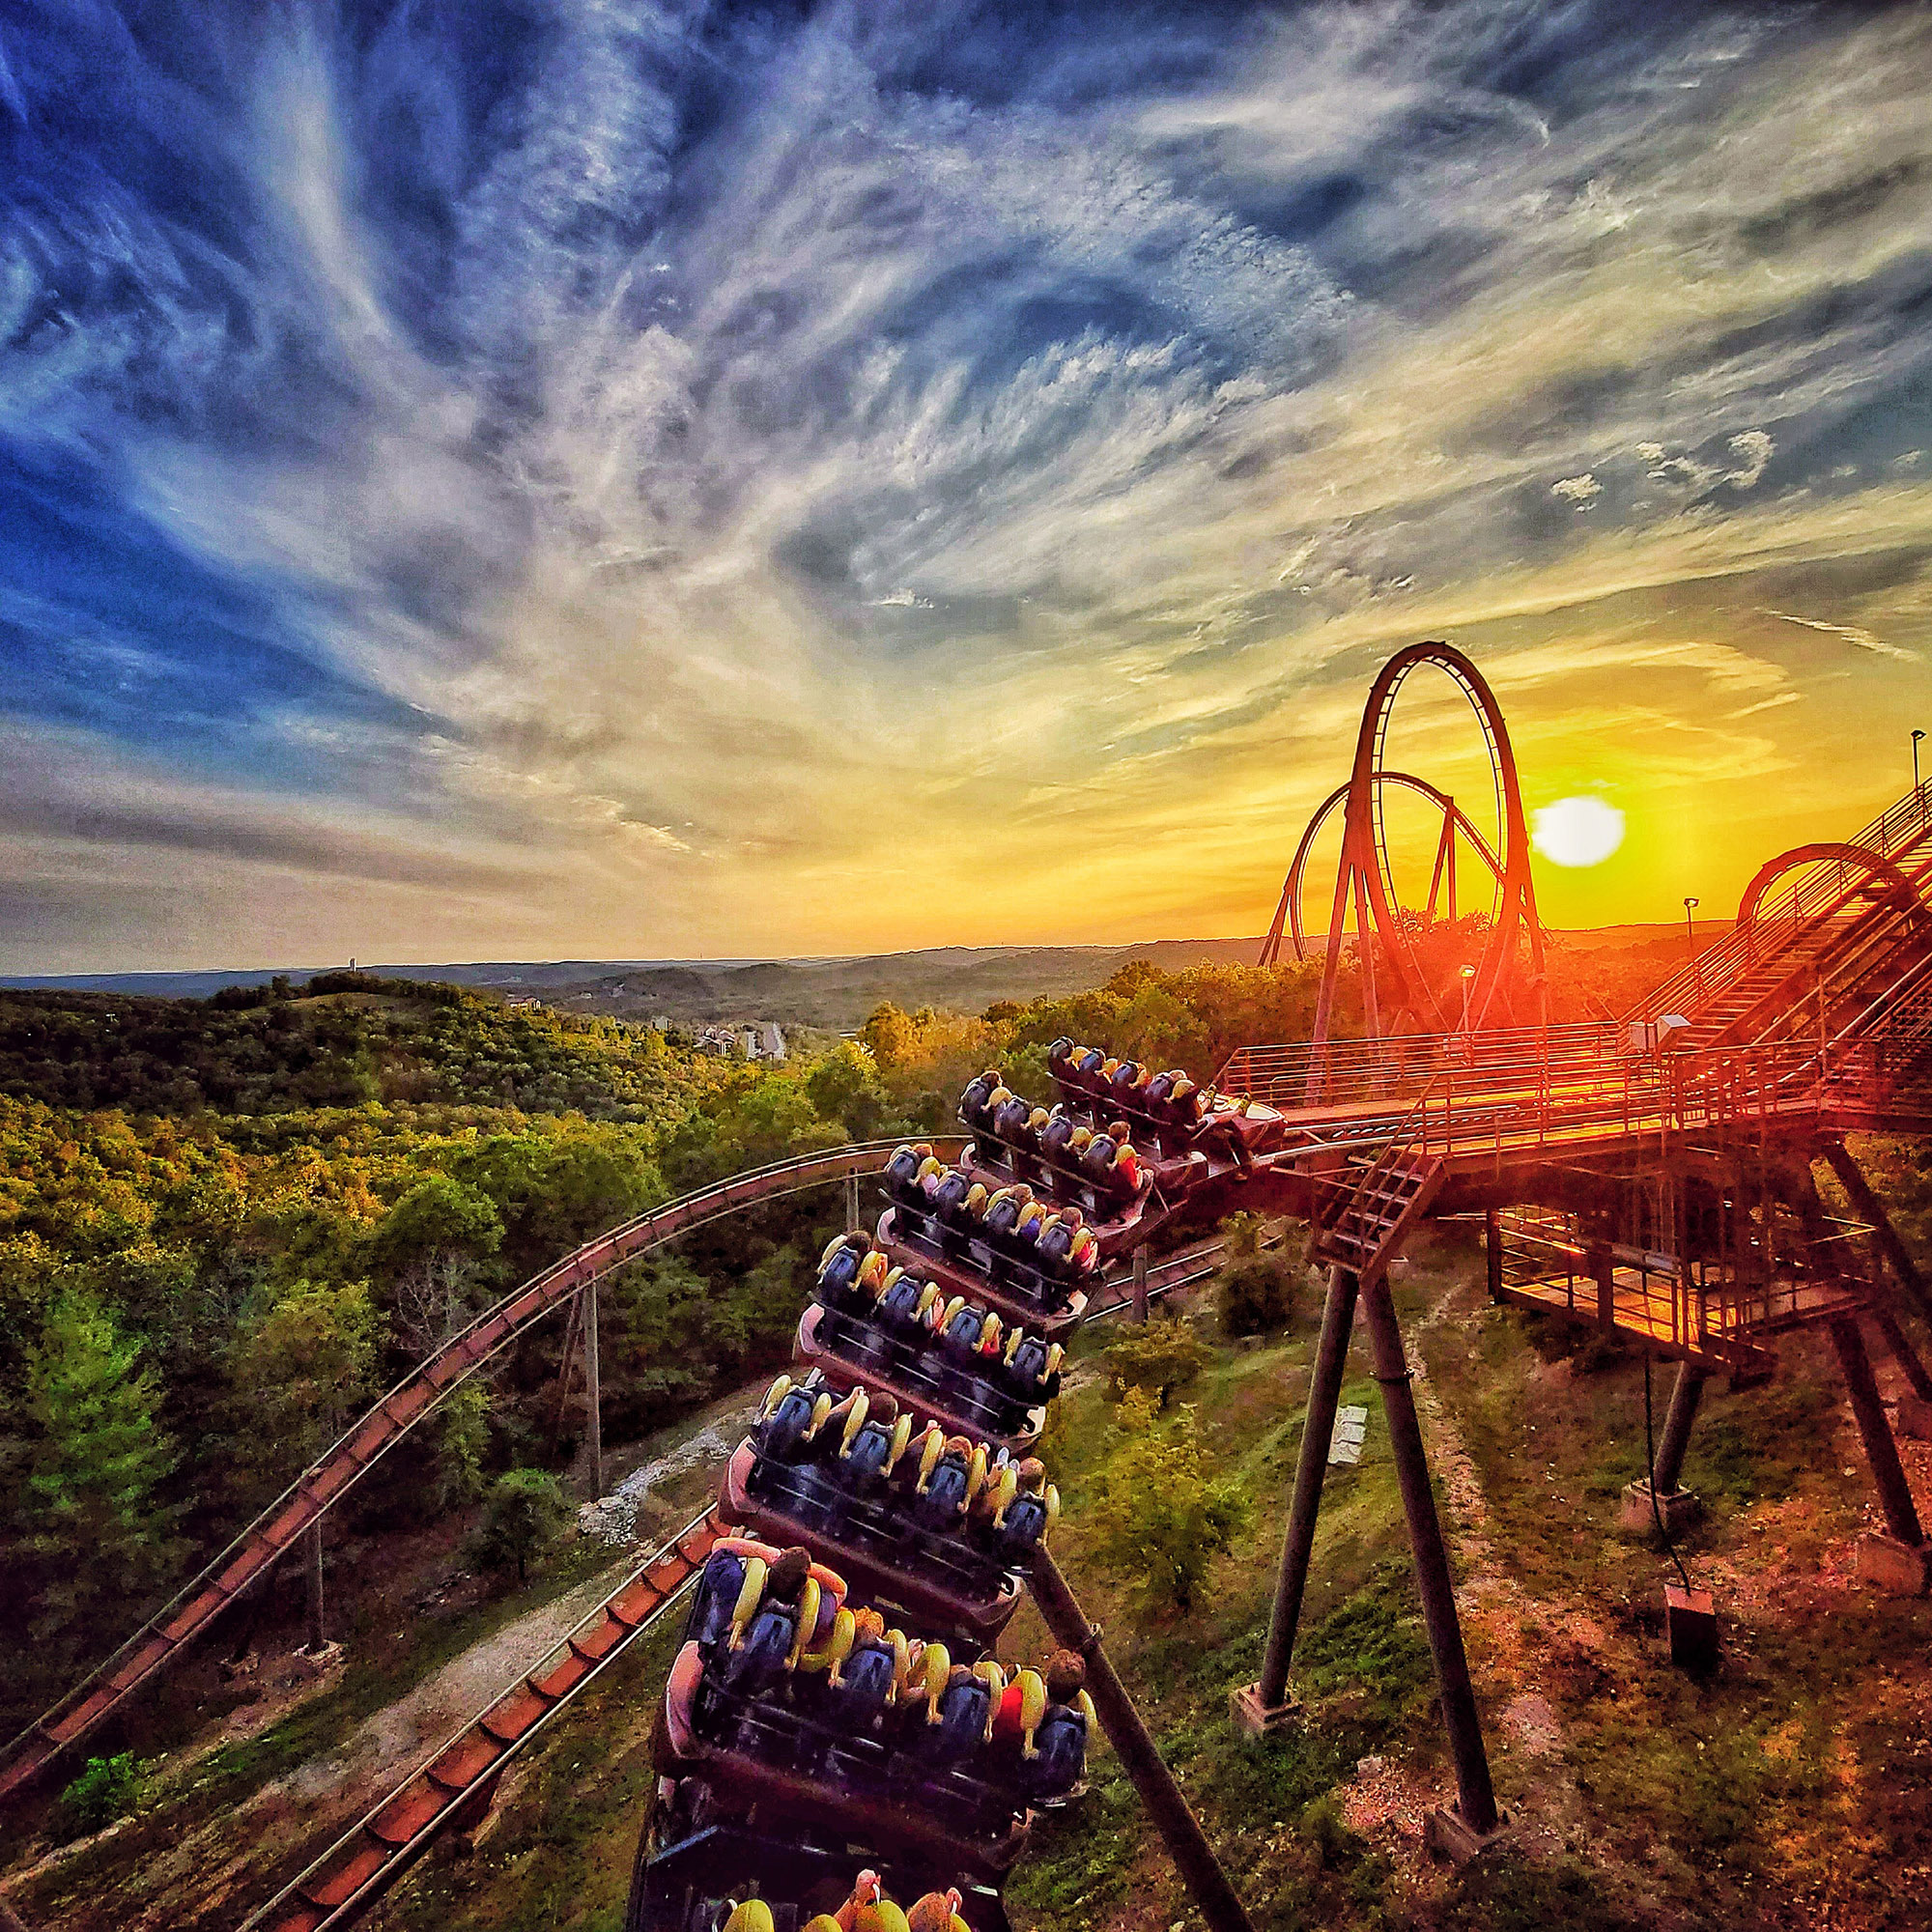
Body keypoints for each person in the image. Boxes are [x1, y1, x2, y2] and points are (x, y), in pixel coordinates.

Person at [1021, 1652, 1094, 1801]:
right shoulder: (1082, 1720)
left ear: (1048, 1675)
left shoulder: (1031, 1700)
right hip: (1062, 1787)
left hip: (1028, 1779)